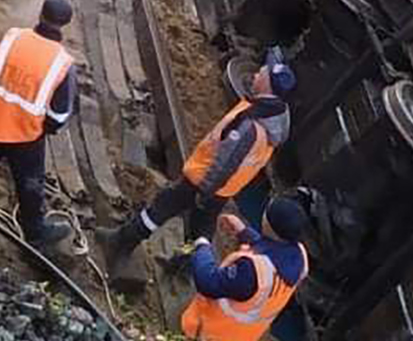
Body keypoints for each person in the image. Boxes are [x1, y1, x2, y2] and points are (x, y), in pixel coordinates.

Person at [102, 49, 296, 273]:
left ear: (267, 84)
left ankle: (122, 241)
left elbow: (226, 161)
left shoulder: (253, 124)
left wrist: (204, 190)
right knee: (200, 232)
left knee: (161, 207)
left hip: (204, 181)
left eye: (263, 71)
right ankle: (183, 264)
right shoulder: (272, 119)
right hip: (222, 190)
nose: (257, 72)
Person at [0, 0, 77, 250]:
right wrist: (44, 129)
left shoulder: (11, 37)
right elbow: (59, 116)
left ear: (41, 14)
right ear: (64, 24)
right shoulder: (62, 63)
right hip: (25, 135)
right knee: (30, 182)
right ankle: (35, 232)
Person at [181, 198, 310, 341]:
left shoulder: (250, 271)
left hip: (206, 337)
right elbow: (275, 253)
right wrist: (245, 233)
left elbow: (208, 283)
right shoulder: (299, 256)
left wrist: (202, 246)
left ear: (268, 224)